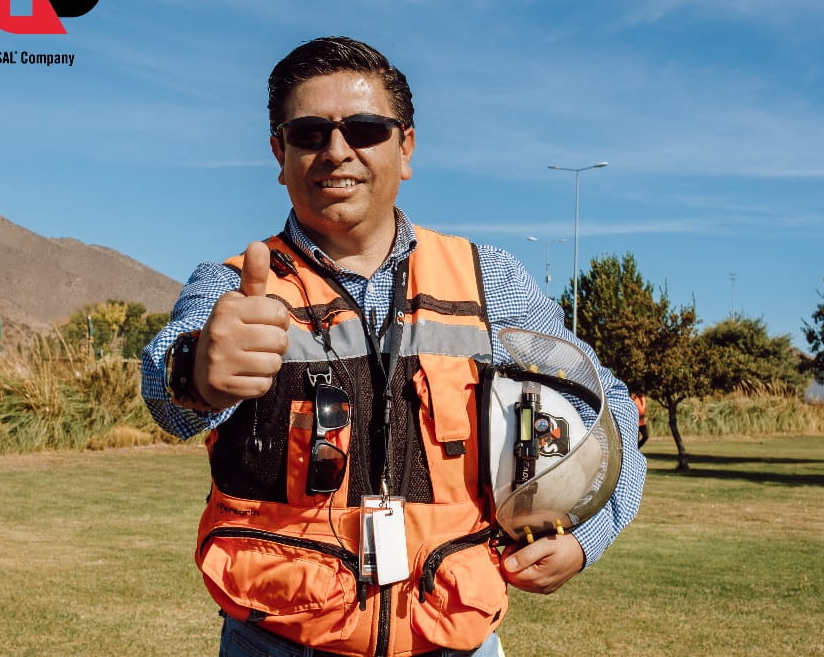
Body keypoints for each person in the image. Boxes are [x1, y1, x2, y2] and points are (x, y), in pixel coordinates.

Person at [141, 37, 646, 657]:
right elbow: (166, 391)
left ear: (405, 148)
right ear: (279, 153)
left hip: (453, 638)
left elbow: (608, 404)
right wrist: (196, 372)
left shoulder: (492, 281)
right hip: (274, 640)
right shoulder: (233, 286)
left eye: (365, 129)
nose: (336, 151)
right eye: (308, 133)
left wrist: (588, 536)